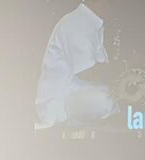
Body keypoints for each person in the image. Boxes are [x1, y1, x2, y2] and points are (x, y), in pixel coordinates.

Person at [35, 0, 119, 128]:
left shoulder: (91, 24)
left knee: (119, 99)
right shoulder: (75, 22)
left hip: (80, 94)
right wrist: (124, 67)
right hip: (61, 102)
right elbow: (87, 72)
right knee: (105, 101)